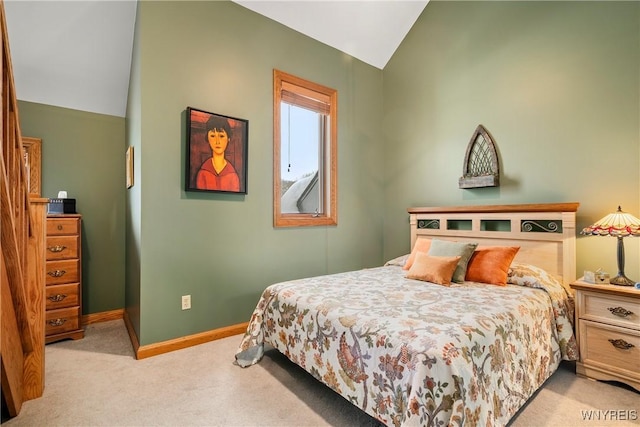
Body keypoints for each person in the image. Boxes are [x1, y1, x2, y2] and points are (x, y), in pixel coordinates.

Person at [195, 116, 240, 191]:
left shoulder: (233, 175)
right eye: (212, 136)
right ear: (208, 138)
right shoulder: (203, 173)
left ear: (228, 138)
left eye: (221, 136)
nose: (217, 142)